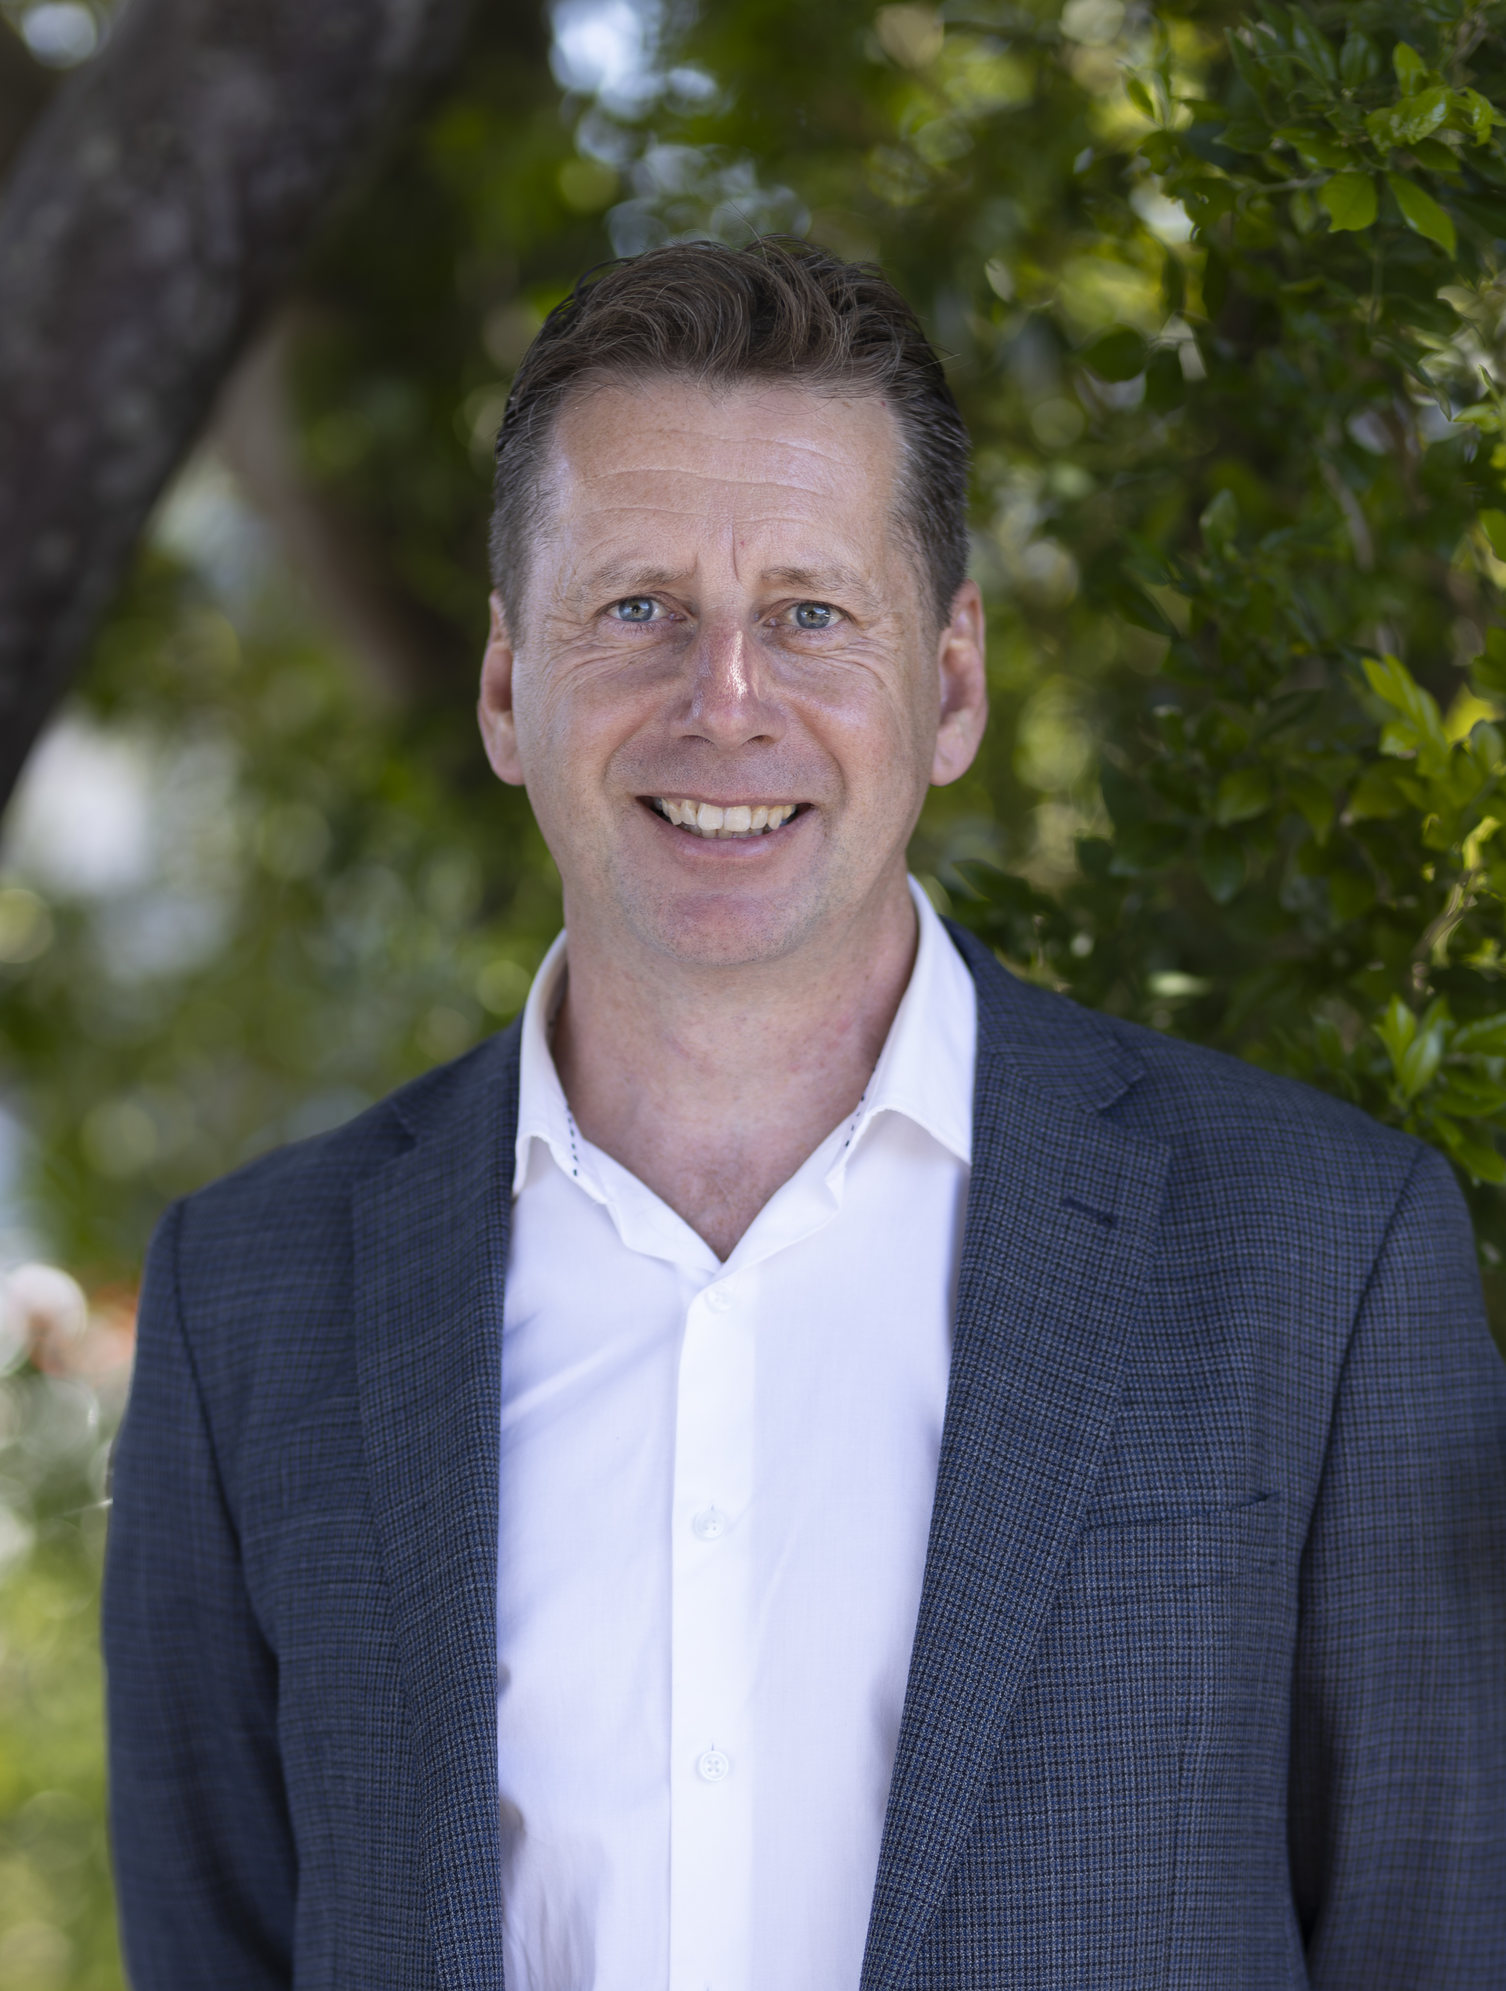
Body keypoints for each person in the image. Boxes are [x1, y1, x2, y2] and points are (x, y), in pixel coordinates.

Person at [103, 239, 1506, 1991]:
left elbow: (1437, 1940)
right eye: (636, 610)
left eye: (810, 615)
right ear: (503, 690)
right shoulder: (252, 1302)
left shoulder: (1320, 1256)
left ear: (952, 687)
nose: (724, 702)